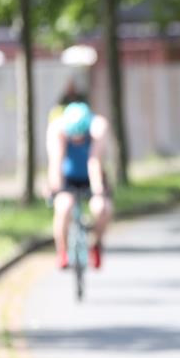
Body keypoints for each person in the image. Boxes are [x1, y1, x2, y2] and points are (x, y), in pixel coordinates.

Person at [46, 101, 113, 270]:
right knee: (63, 207)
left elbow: (94, 161)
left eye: (80, 136)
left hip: (91, 176)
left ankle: (96, 244)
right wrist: (55, 188)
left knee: (102, 208)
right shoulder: (57, 130)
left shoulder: (98, 128)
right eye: (73, 136)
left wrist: (98, 191)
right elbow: (56, 162)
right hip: (68, 176)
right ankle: (62, 252)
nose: (77, 140)